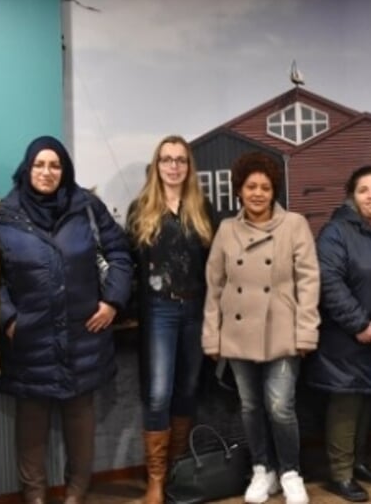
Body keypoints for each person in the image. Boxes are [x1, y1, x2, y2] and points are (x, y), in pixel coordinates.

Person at [0, 136, 133, 504]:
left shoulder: (87, 206)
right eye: (39, 165)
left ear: (65, 170)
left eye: (55, 165)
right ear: (27, 168)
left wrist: (113, 301)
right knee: (31, 425)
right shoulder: (5, 215)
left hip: (82, 334)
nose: (47, 172)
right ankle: (34, 496)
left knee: (80, 421)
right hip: (30, 337)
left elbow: (119, 252)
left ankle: (76, 494)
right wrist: (9, 319)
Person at [202, 151, 320, 504]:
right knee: (250, 407)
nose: (257, 193)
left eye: (264, 187)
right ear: (239, 190)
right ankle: (261, 469)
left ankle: (290, 472)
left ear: (274, 191)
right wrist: (211, 336)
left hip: (281, 330)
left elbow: (309, 282)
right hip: (237, 335)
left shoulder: (294, 225)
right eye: (250, 186)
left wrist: (306, 332)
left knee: (280, 406)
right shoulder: (226, 229)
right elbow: (215, 286)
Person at [306, 166, 371, 502]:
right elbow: (329, 283)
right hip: (346, 335)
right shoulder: (336, 232)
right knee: (345, 402)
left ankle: (358, 462)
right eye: (363, 189)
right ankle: (341, 474)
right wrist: (358, 324)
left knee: (366, 398)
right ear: (352, 195)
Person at [126, 135, 215, 503]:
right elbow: (129, 264)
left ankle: (177, 470)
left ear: (189, 166)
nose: (174, 166)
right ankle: (157, 481)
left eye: (180, 160)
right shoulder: (140, 208)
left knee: (188, 391)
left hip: (195, 308)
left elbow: (216, 264)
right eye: (167, 159)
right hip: (159, 310)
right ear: (157, 165)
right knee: (159, 394)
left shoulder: (203, 208)